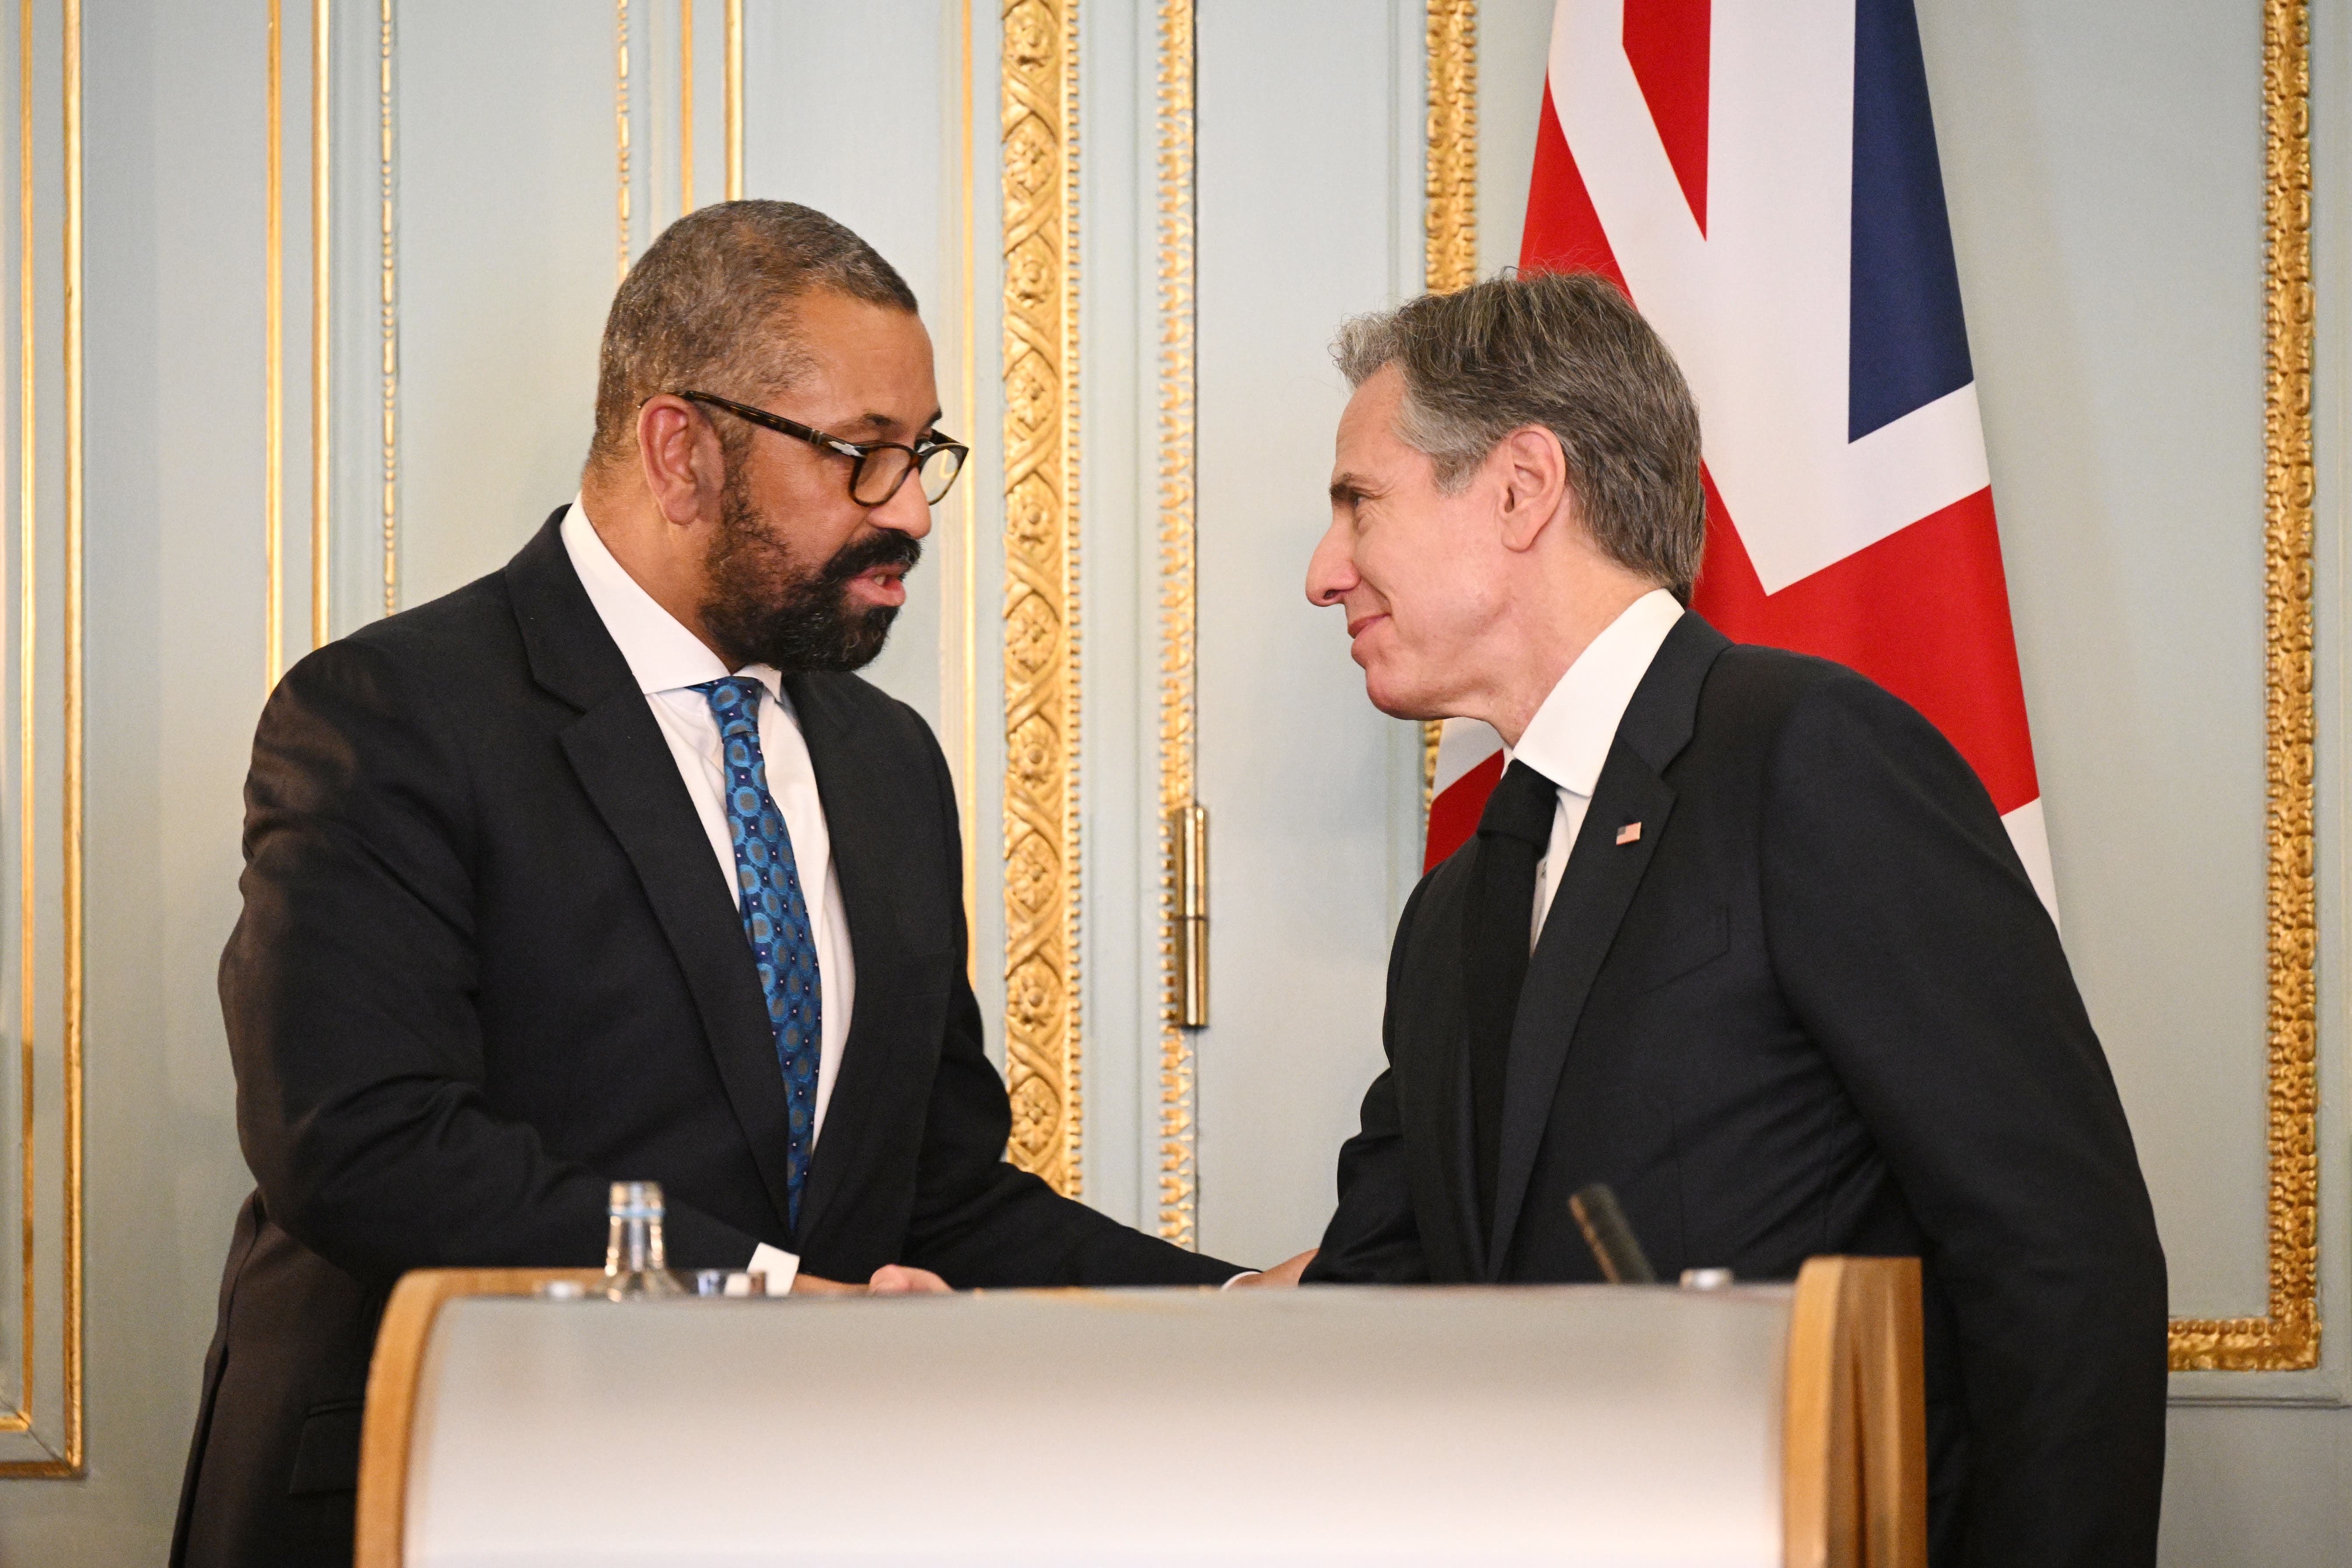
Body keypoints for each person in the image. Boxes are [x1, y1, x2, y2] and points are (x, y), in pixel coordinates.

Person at [173, 201, 1275, 1568]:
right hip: (446, 1493)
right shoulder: (391, 714)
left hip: (783, 1508)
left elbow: (929, 1187)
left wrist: (1240, 1304)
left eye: (922, 455)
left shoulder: (886, 762)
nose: (914, 511)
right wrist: (772, 1302)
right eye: (862, 458)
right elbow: (364, 1144)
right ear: (680, 448)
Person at [1299, 272, 2167, 1567]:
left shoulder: (1812, 758)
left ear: (1525, 487)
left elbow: (2059, 1259)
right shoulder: (1457, 906)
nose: (1326, 575)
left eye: (1357, 503)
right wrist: (983, 1310)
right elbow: (1370, 1297)